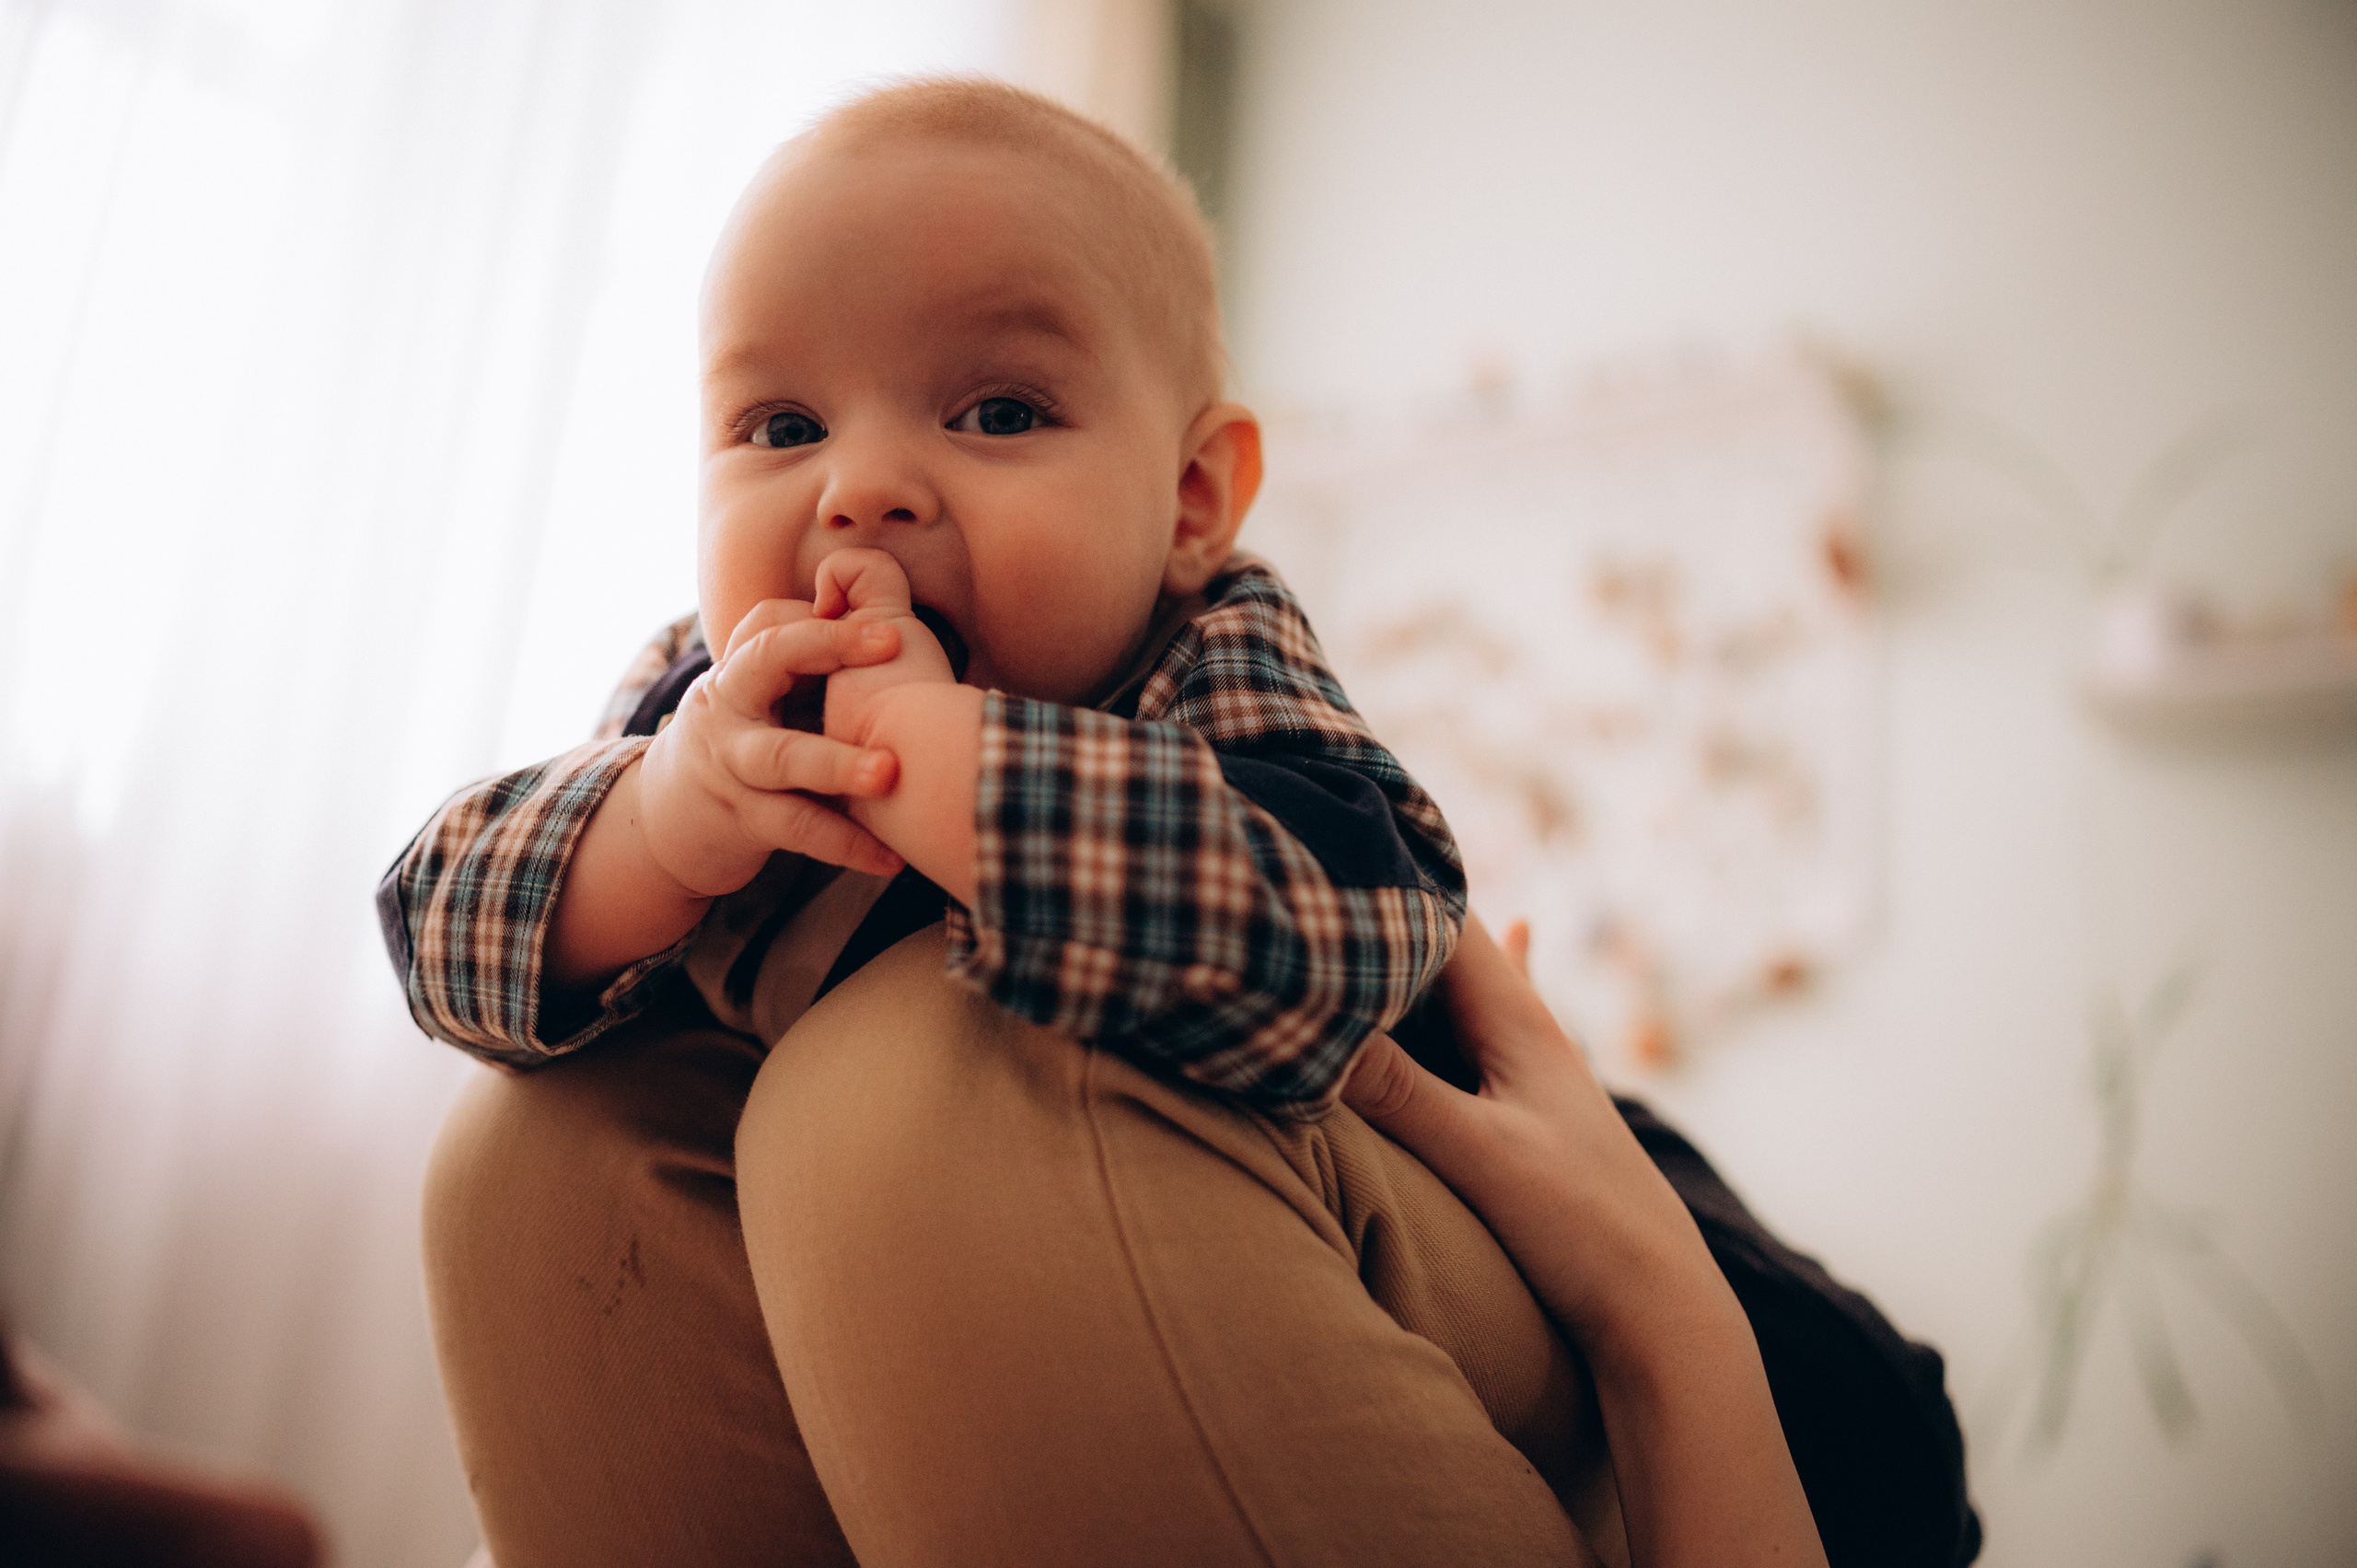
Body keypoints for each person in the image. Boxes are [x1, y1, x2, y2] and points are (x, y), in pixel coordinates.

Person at [393, 77, 1970, 1567]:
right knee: (533, 1149)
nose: (861, 489)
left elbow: (1343, 933)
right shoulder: (710, 702)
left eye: (999, 412)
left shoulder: (1210, 654)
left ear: (1195, 501)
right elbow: (432, 928)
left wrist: (965, 775)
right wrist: (654, 833)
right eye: (781, 426)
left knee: (915, 1072)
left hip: (1656, 1341)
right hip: (1039, 1316)